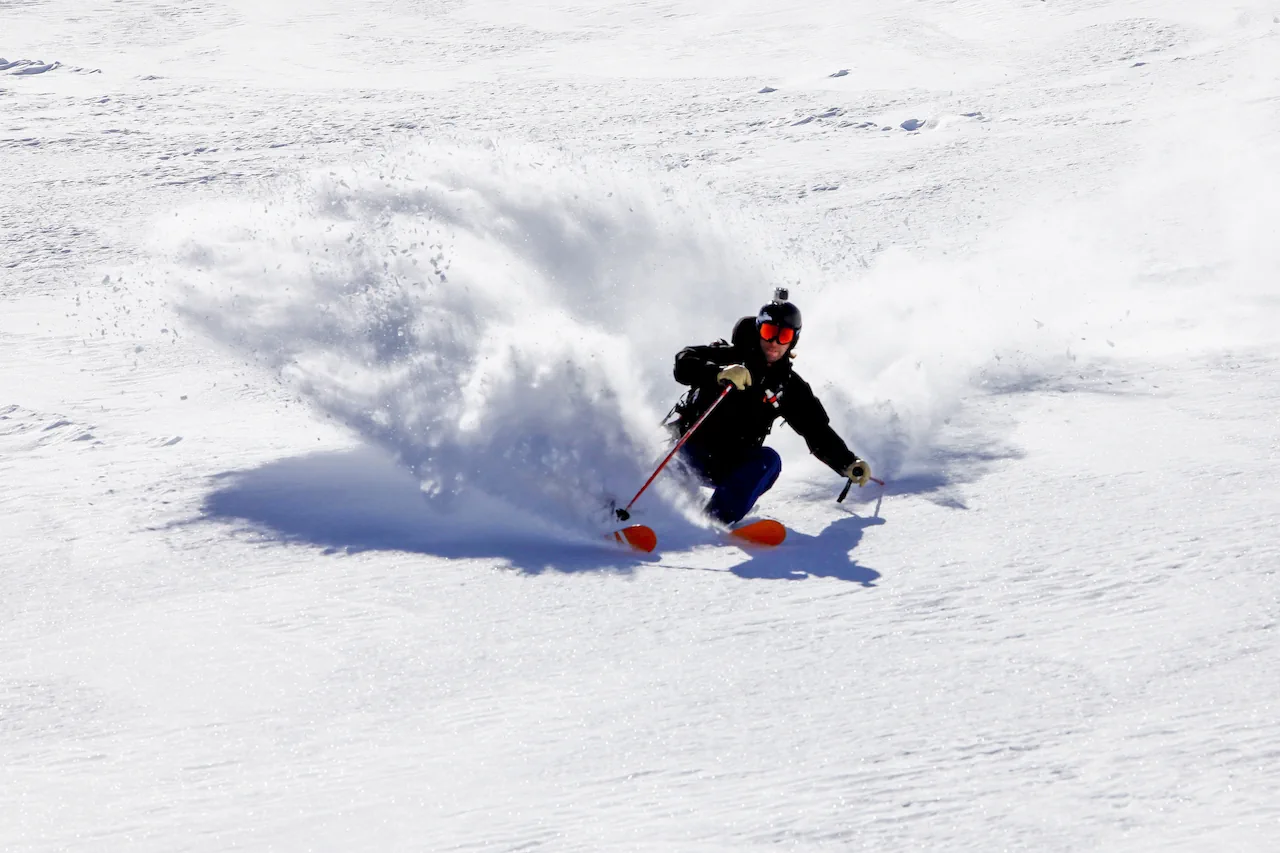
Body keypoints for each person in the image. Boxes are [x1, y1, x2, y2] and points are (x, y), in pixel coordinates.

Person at [670, 289, 871, 526]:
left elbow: (816, 429)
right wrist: (718, 373)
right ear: (758, 330)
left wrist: (847, 462)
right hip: (689, 450)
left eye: (783, 336)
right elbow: (684, 362)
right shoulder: (730, 357)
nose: (774, 342)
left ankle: (713, 522)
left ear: (793, 339)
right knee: (665, 473)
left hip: (732, 465)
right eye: (768, 332)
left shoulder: (787, 385)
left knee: (769, 461)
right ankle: (632, 509)